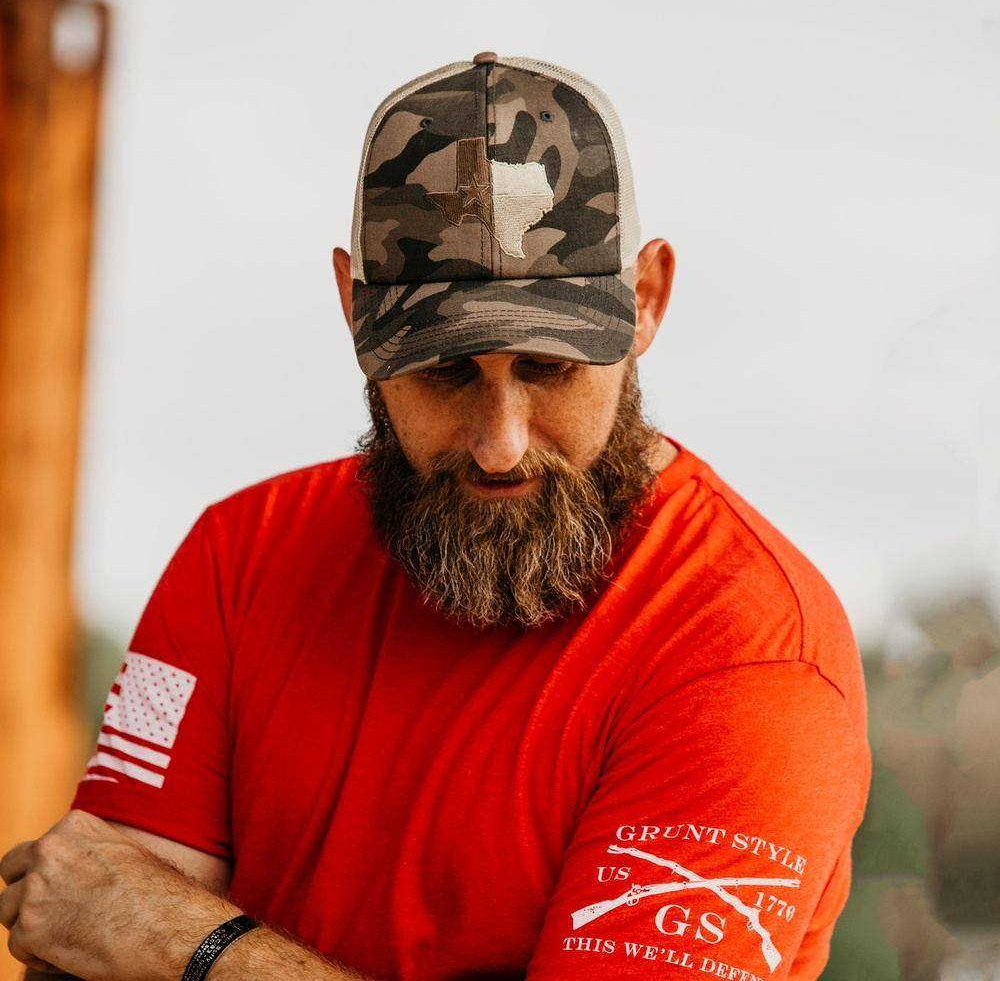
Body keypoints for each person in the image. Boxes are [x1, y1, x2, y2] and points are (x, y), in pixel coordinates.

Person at [0, 53, 871, 981]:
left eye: (548, 369)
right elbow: (89, 936)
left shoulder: (747, 654)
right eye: (447, 373)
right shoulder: (239, 556)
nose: (500, 442)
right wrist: (135, 928)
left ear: (645, 301)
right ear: (354, 311)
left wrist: (195, 946)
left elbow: (141, 929)